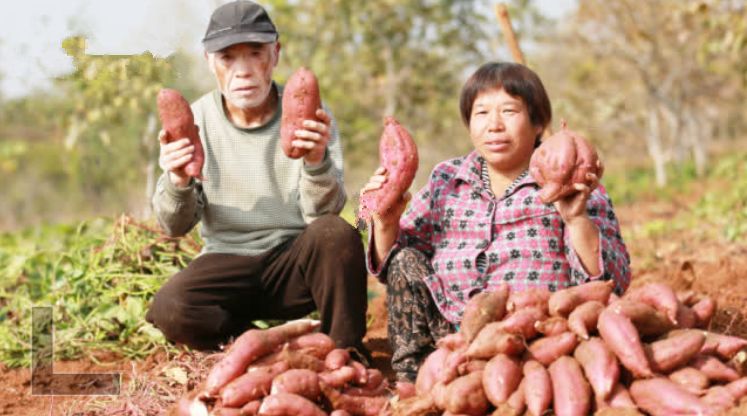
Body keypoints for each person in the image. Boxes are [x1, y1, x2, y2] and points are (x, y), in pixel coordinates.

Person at [360, 62, 631, 382]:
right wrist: (383, 221)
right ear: (468, 123)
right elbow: (388, 264)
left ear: (538, 122)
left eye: (509, 111)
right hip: (449, 332)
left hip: (535, 335)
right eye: (482, 113)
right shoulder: (446, 179)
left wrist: (575, 220)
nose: (494, 125)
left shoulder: (571, 181)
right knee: (405, 259)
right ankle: (414, 377)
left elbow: (612, 281)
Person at [146, 0, 369, 360]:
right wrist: (177, 180)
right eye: (228, 58)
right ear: (209, 62)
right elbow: (174, 226)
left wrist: (315, 161)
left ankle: (345, 354)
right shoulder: (196, 120)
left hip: (295, 263)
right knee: (170, 307)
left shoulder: (310, 115)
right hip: (227, 263)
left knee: (337, 233)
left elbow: (323, 215)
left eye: (255, 53)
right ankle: (267, 347)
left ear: (276, 54)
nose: (244, 71)